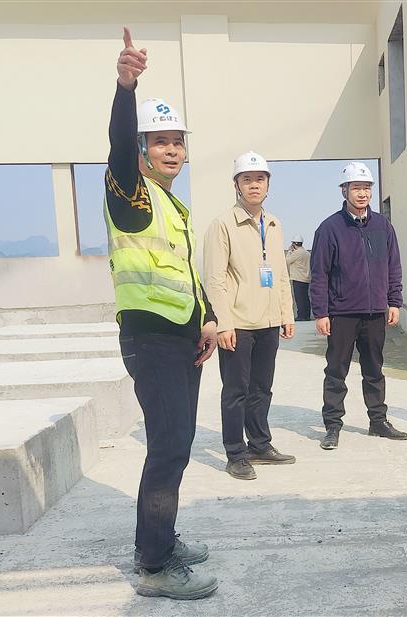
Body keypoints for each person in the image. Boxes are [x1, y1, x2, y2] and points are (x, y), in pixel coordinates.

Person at [105, 27, 217, 599]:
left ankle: (158, 540)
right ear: (142, 150)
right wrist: (126, 89)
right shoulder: (131, 194)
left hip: (181, 340)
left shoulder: (172, 205)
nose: (171, 150)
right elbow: (118, 148)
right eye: (159, 142)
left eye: (178, 142)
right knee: (168, 448)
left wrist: (208, 318)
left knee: (177, 445)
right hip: (151, 342)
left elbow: (186, 273)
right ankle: (154, 565)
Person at [203, 151, 296, 481]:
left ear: (268, 185)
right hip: (238, 324)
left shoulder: (274, 224)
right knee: (235, 391)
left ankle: (259, 444)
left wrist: (286, 313)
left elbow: (280, 273)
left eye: (260, 179)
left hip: (268, 322)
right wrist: (223, 324)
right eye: (247, 179)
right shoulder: (222, 225)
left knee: (262, 388)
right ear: (237, 185)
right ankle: (235, 453)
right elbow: (214, 278)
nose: (254, 185)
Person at [309, 162, 407, 450]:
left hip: (375, 312)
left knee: (374, 369)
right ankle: (332, 425)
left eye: (366, 188)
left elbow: (393, 266)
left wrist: (394, 301)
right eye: (356, 188)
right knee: (336, 370)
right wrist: (321, 312)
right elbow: (319, 273)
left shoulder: (382, 226)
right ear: (344, 190)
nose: (362, 193)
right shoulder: (330, 228)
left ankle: (378, 421)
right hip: (342, 313)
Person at [286, 234, 312, 321]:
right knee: (305, 298)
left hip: (298, 278)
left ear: (294, 244)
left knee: (299, 298)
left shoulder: (297, 253)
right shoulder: (307, 253)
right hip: (306, 279)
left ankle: (301, 316)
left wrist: (290, 251)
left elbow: (287, 261)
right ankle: (307, 315)